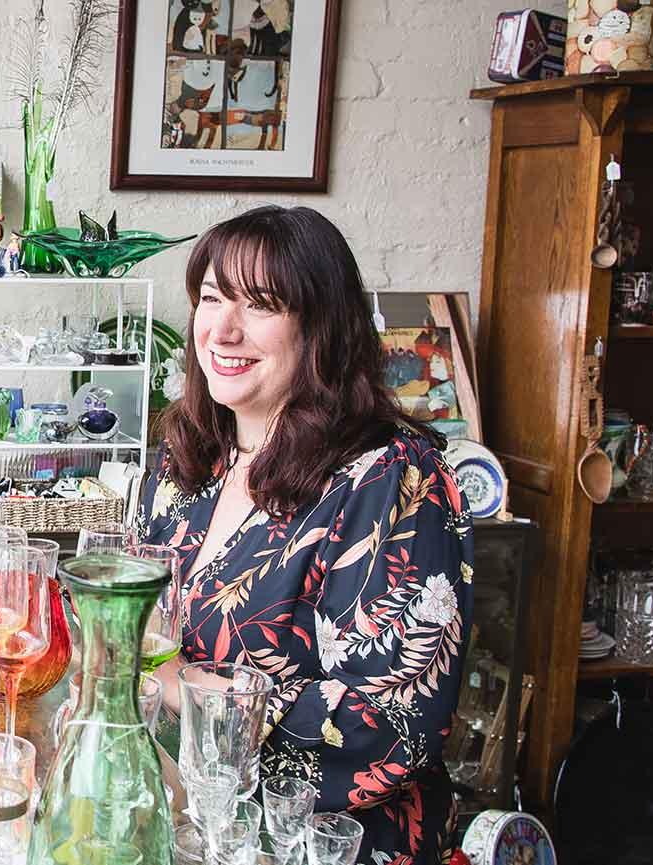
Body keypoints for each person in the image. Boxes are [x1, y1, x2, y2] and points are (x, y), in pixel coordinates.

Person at [138, 205, 472, 865]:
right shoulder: (189, 461)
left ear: (319, 328)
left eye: (261, 305)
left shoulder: (394, 480)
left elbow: (398, 727)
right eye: (211, 298)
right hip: (190, 825)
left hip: (323, 847)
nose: (223, 330)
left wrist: (186, 683)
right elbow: (141, 628)